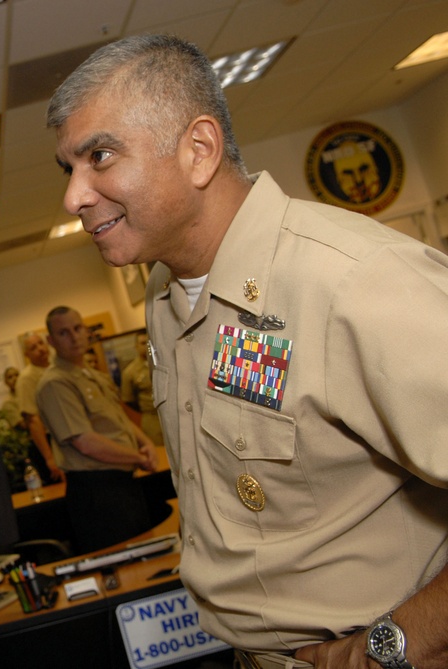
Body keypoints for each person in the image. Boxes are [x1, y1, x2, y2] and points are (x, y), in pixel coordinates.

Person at [47, 34, 448, 668]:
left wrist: (396, 645)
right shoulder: (163, 295)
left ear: (198, 151)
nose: (73, 196)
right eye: (68, 169)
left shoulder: (353, 280)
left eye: (100, 156)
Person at [35, 307, 157, 553]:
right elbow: (85, 442)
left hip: (122, 483)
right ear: (51, 341)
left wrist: (147, 443)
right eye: (63, 332)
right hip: (97, 492)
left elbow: (119, 418)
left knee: (145, 554)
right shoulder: (56, 383)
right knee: (125, 566)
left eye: (78, 328)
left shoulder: (93, 375)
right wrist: (138, 457)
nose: (74, 337)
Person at [15, 333, 63, 482]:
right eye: (33, 347)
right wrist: (49, 457)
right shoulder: (26, 378)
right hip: (50, 441)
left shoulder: (59, 366)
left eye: (41, 343)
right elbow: (32, 420)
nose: (40, 349)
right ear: (27, 354)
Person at [120, 331, 164, 446]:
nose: (146, 346)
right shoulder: (130, 372)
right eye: (143, 343)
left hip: (171, 413)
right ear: (136, 346)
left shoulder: (163, 363)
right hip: (151, 418)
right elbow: (128, 400)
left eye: (149, 342)